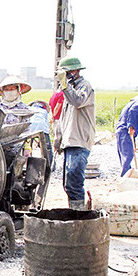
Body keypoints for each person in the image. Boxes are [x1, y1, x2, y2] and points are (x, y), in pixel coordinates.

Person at [54, 56, 95, 210]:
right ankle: (75, 211)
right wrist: (58, 140)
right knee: (68, 184)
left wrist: (65, 86)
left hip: (79, 140)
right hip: (69, 141)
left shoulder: (84, 86)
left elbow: (77, 101)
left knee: (74, 181)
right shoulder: (68, 91)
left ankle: (79, 215)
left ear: (75, 71)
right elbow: (63, 119)